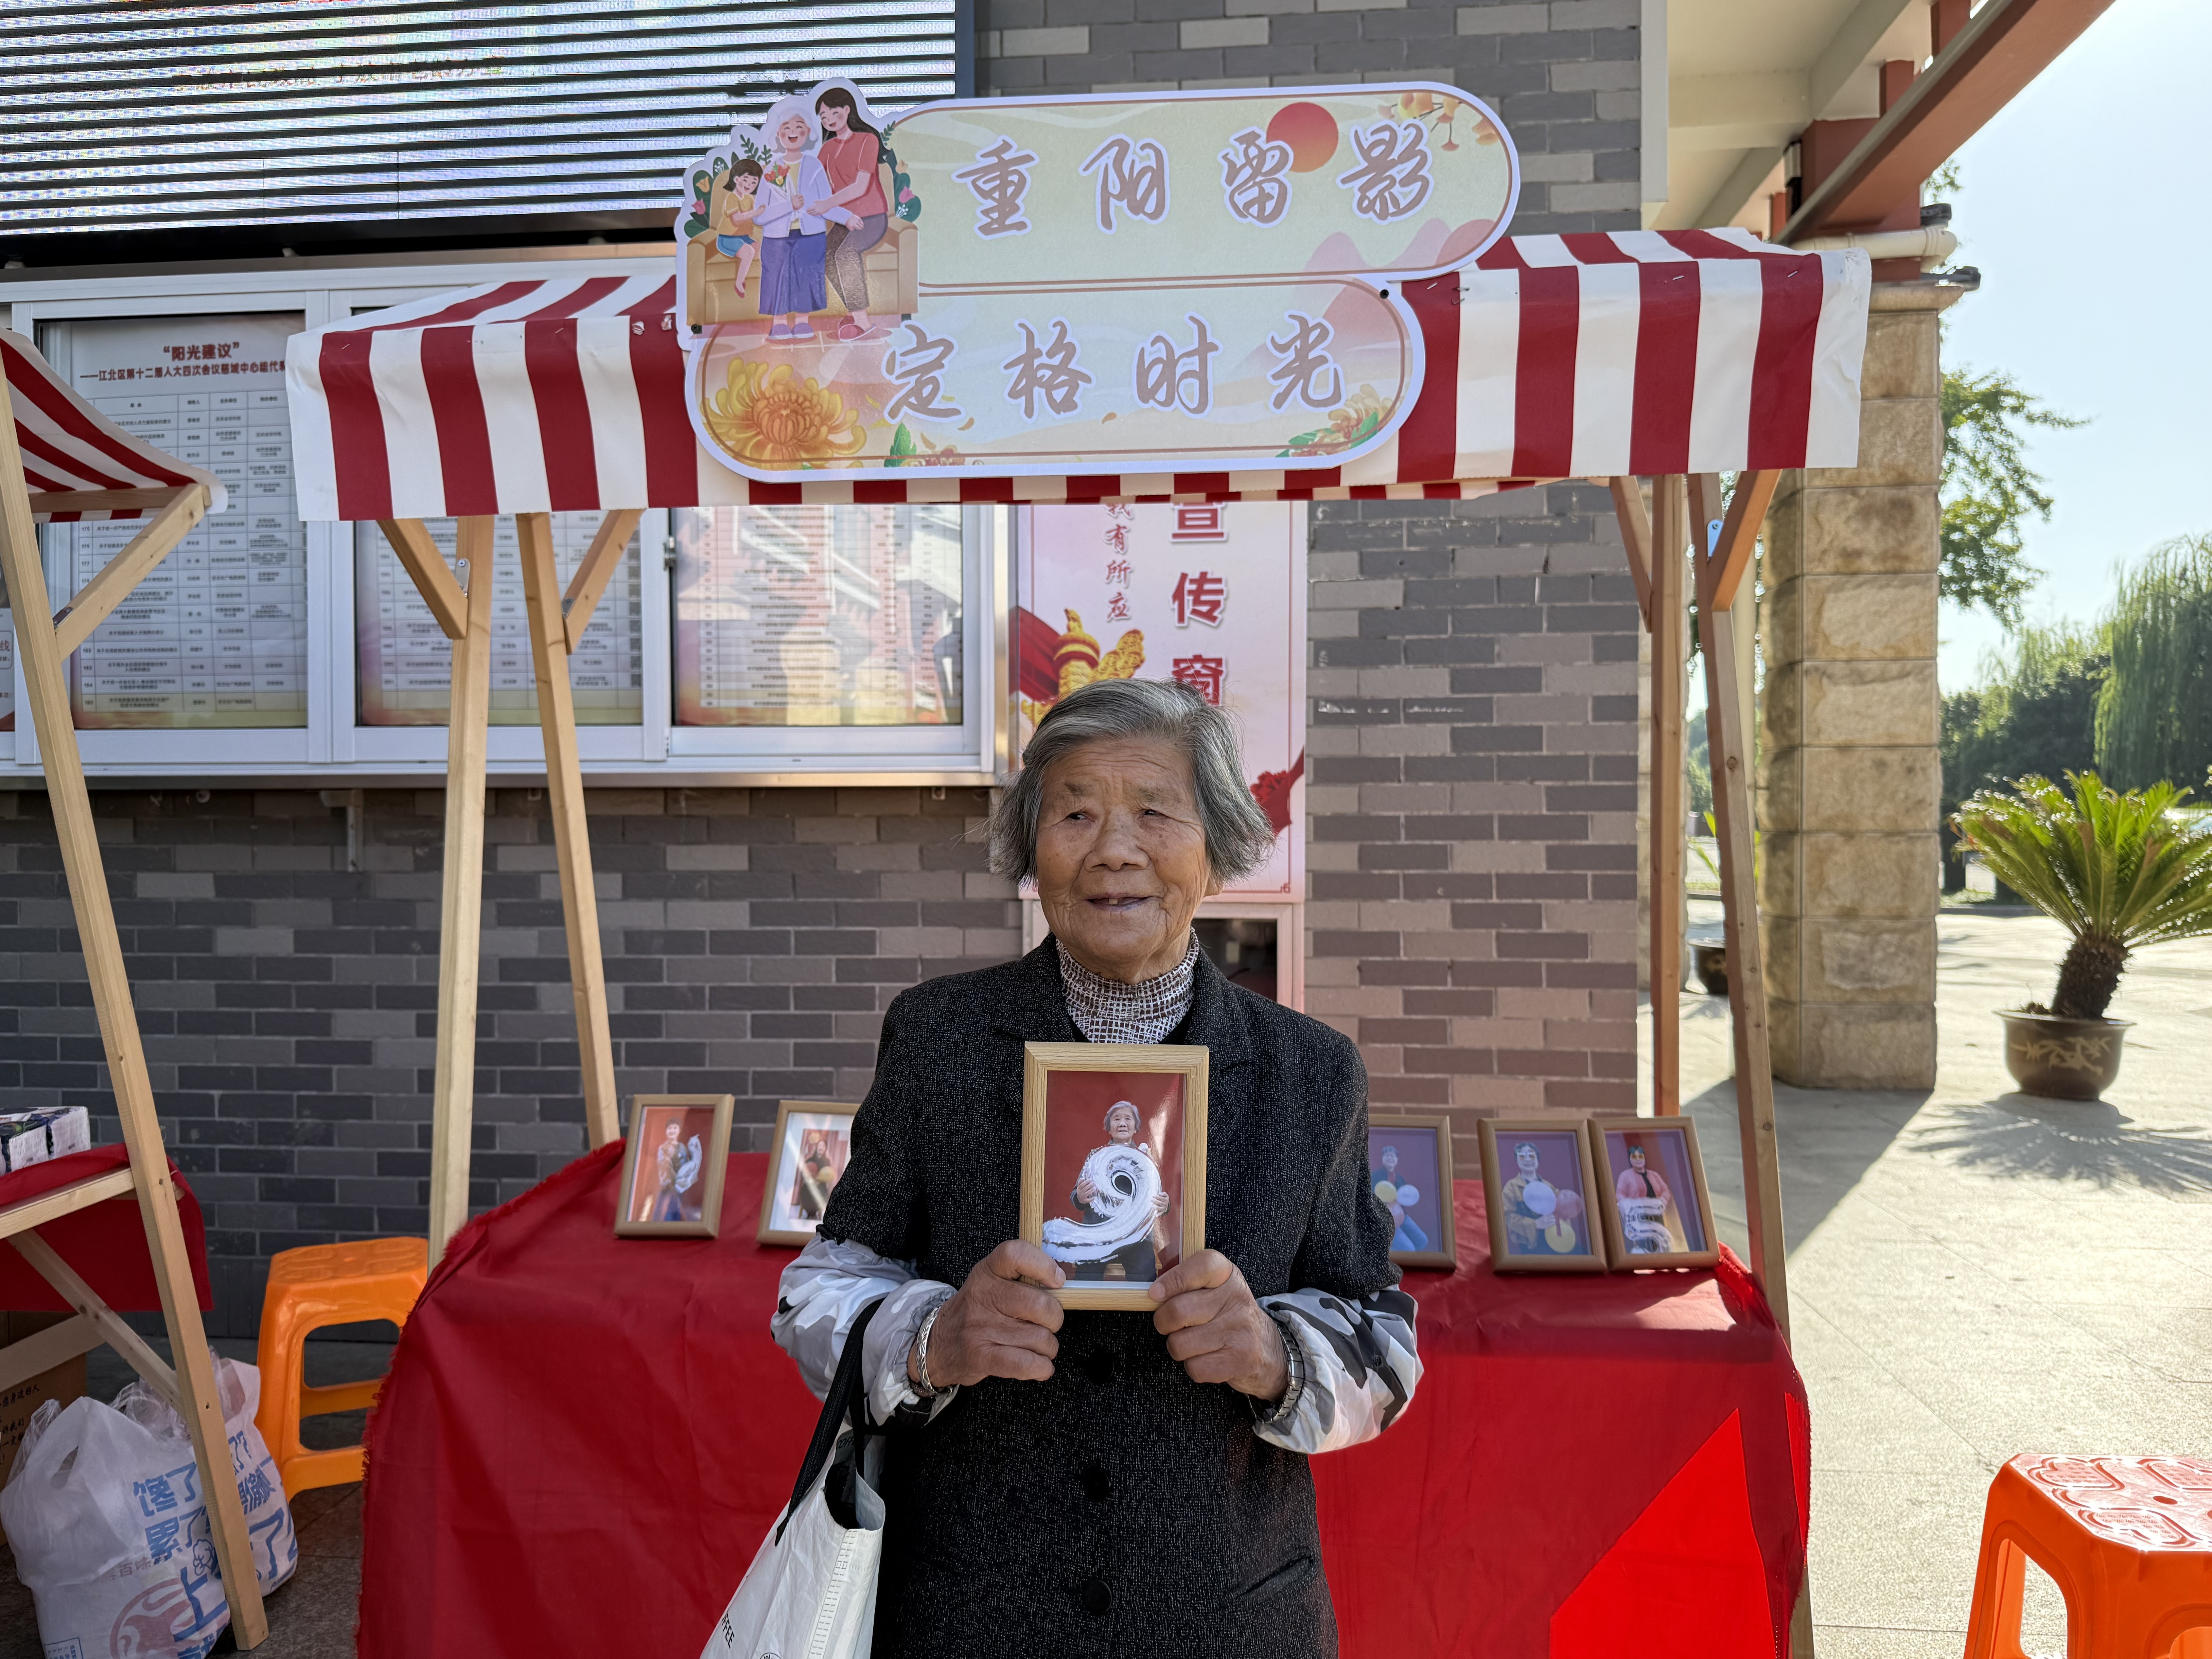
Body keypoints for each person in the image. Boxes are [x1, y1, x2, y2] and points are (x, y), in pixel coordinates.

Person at [773, 677, 1421, 1658]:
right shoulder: (940, 1038)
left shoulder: (1310, 1073)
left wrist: (1275, 1356)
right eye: (1075, 813)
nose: (1115, 848)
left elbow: (1385, 1343)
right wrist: (934, 1336)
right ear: (1033, 848)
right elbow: (815, 1292)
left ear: (1219, 844)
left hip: (1230, 1615)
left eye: (1156, 812)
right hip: (968, 1614)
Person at [753, 96, 850, 342]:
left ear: (808, 132)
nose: (793, 133)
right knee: (777, 276)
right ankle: (779, 324)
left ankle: (803, 323)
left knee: (807, 275)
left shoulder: (815, 166)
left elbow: (825, 205)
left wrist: (847, 218)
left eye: (799, 127)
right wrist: (788, 206)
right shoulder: (772, 169)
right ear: (778, 134)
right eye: (787, 128)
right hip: (777, 239)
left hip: (811, 236)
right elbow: (760, 215)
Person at [1059, 1100, 1173, 1282]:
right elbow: (1076, 1198)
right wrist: (1080, 1197)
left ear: (1136, 1127)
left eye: (1128, 1119)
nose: (1122, 1123)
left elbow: (1158, 1200)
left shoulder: (1147, 1159)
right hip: (1098, 1233)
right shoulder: (1095, 1157)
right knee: (1086, 1277)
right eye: (1116, 1119)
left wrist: (1165, 1206)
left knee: (1144, 1275)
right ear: (1109, 1128)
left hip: (1137, 1235)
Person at [810, 84, 890, 341]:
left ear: (847, 110)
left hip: (872, 217)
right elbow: (814, 182)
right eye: (824, 117)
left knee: (845, 254)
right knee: (823, 256)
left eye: (833, 113)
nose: (829, 120)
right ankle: (855, 316)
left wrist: (826, 205)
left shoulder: (869, 140)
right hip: (845, 220)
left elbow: (861, 186)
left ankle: (863, 324)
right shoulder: (826, 149)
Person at [712, 159, 763, 304]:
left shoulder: (750, 199)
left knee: (762, 249)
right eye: (746, 180)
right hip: (727, 239)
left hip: (744, 238)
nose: (749, 185)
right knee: (749, 252)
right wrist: (755, 213)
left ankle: (758, 283)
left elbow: (758, 215)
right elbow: (737, 220)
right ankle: (739, 283)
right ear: (737, 179)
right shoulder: (732, 198)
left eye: (754, 183)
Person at [1370, 1143, 1427, 1253]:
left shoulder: (1400, 1178)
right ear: (1382, 1159)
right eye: (1386, 1156)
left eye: (1393, 1156)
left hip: (1402, 1215)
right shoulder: (1375, 1176)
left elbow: (1404, 1200)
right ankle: (1385, 1254)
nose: (1390, 1158)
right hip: (1386, 1219)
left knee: (1422, 1241)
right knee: (1409, 1249)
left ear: (1397, 1160)